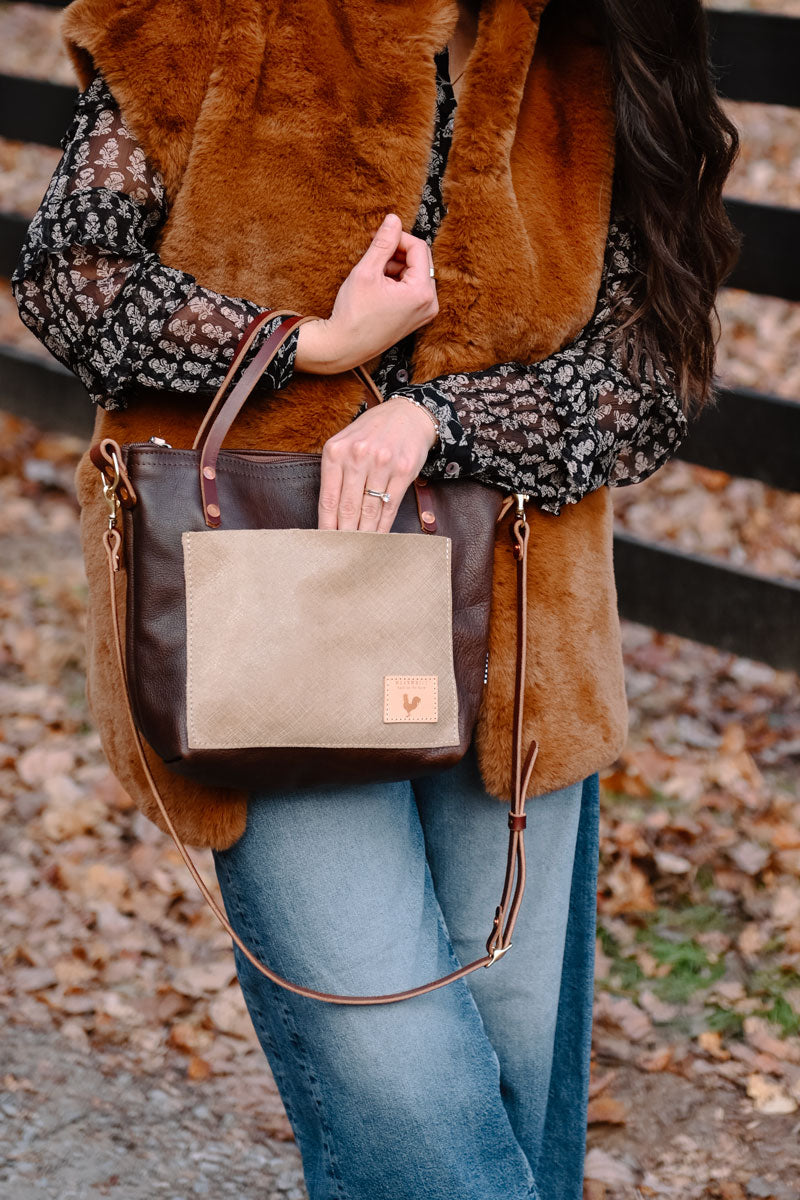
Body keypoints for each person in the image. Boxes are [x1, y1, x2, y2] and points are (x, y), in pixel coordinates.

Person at [13, 1, 740, 1197]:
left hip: (519, 637)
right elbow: (69, 278)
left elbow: (647, 368)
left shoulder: (592, 43)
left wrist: (437, 420)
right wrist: (314, 343)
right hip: (267, 625)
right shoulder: (205, 17)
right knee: (395, 1076)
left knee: (505, 1080)